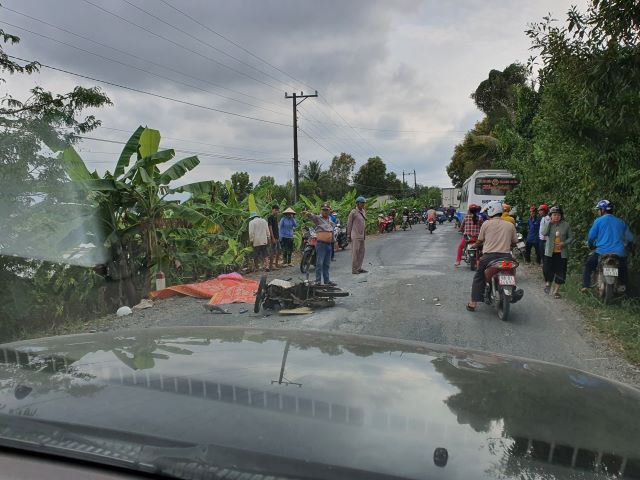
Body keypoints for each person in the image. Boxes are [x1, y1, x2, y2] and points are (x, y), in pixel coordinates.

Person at [466, 201, 518, 312]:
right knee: (512, 270)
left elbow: (480, 241)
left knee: (479, 277)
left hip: (489, 257)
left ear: (491, 210)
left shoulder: (486, 224)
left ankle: (473, 303)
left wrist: (473, 246)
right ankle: (513, 291)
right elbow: (514, 242)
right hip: (506, 256)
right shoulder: (510, 225)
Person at [581, 200, 635, 293]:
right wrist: (629, 246)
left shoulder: (598, 221)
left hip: (602, 252)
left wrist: (590, 245)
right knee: (623, 271)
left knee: (589, 265)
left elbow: (591, 237)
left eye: (599, 210)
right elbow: (630, 238)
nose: (598, 212)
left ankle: (585, 286)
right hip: (619, 254)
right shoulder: (620, 222)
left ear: (603, 210)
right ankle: (626, 290)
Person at [540, 206, 573, 298]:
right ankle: (548, 283)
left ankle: (556, 292)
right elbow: (543, 233)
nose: (556, 216)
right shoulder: (548, 224)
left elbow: (570, 238)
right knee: (547, 270)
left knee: (560, 271)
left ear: (561, 216)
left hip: (561, 253)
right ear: (551, 216)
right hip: (549, 252)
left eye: (558, 215)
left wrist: (564, 243)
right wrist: (549, 223)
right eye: (554, 215)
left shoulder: (566, 225)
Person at [302, 203, 336, 285]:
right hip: (321, 244)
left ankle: (327, 281)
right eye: (323, 210)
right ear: (321, 211)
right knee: (319, 263)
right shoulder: (318, 218)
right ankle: (318, 280)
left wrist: (333, 240)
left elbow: (332, 231)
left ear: (329, 211)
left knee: (327, 264)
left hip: (329, 244)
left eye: (326, 210)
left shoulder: (330, 220)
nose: (325, 211)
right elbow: (312, 216)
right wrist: (307, 213)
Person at [347, 196, 368, 274]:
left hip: (362, 235)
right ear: (357, 203)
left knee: (361, 252)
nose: (363, 204)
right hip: (355, 235)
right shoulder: (353, 212)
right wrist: (348, 235)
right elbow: (349, 224)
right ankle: (354, 269)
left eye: (364, 203)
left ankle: (359, 268)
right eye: (361, 203)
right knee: (355, 252)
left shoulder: (363, 211)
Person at [267, 204, 281, 270]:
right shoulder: (270, 217)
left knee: (278, 251)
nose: (277, 212)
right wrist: (272, 238)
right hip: (274, 237)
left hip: (277, 236)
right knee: (273, 252)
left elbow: (276, 227)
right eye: (276, 210)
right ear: (272, 210)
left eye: (277, 211)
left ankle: (276, 264)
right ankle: (271, 265)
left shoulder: (275, 217)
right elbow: (270, 228)